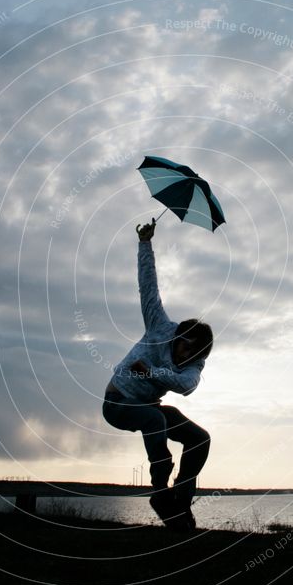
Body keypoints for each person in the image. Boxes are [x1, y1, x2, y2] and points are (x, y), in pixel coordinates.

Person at [102, 218, 212, 532]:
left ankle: (181, 499)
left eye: (192, 355)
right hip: (117, 403)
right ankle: (159, 491)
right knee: (156, 420)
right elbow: (148, 286)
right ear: (178, 336)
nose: (184, 356)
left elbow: (185, 387)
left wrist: (151, 371)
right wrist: (145, 242)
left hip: (149, 409)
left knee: (199, 438)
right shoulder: (159, 326)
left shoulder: (194, 366)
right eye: (183, 347)